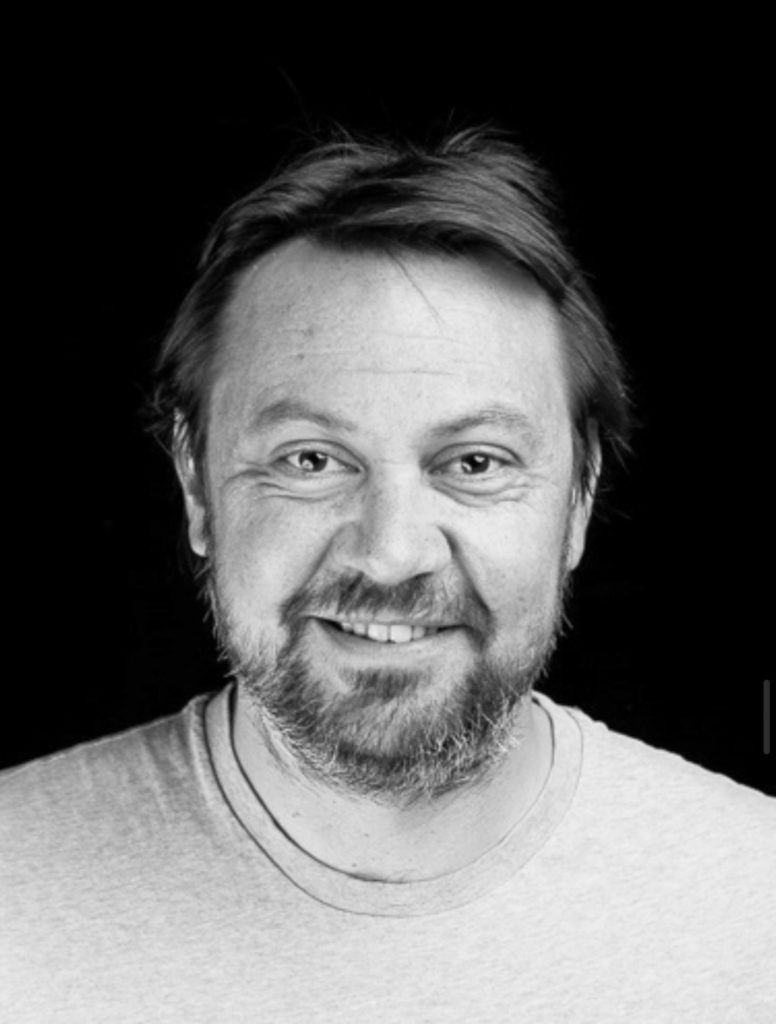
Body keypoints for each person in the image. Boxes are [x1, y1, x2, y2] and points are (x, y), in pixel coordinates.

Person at [1, 127, 773, 1023]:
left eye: (475, 463)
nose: (392, 552)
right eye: (311, 459)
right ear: (197, 486)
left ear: (579, 496)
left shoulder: (755, 917)